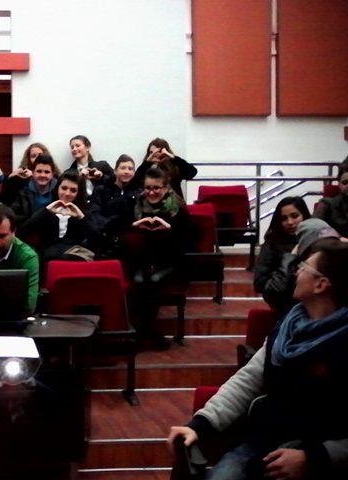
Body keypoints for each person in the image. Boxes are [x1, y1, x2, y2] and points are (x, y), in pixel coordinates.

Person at [168, 238, 348, 480]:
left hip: (323, 456)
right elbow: (248, 380)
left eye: (304, 266)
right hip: (263, 443)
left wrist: (314, 458)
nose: (296, 271)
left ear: (321, 284)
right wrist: (200, 425)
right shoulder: (288, 325)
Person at [122, 166, 193, 348]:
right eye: (147, 188)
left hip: (170, 262)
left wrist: (168, 230)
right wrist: (134, 227)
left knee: (153, 281)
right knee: (138, 280)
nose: (151, 192)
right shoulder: (136, 204)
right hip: (142, 261)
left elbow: (187, 242)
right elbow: (123, 234)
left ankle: (147, 332)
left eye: (156, 188)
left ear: (166, 188)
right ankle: (144, 332)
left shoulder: (178, 207)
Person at [19, 170, 94, 262]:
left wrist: (81, 216)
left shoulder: (84, 213)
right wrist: (46, 211)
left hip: (74, 259)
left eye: (73, 190)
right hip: (48, 258)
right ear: (57, 188)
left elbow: (96, 241)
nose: (67, 193)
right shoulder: (46, 210)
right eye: (64, 188)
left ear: (78, 193)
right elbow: (22, 232)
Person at [254, 197, 311, 314]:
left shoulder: (316, 239)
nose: (290, 222)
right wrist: (290, 259)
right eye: (284, 218)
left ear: (304, 216)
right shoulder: (272, 243)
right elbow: (259, 285)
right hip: (284, 305)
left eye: (295, 216)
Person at [88, 154, 142, 252]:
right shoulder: (101, 190)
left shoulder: (138, 193)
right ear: (115, 171)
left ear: (134, 173)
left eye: (130, 169)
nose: (126, 171)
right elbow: (94, 214)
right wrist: (110, 225)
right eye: (123, 168)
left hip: (128, 240)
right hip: (104, 237)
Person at [9, 154, 59, 226]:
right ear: (32, 172)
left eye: (47, 172)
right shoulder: (23, 190)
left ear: (52, 174)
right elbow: (12, 215)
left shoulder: (60, 190)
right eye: (39, 171)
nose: (42, 175)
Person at [313, 163, 348, 236]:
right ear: (339, 184)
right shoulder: (326, 204)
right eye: (345, 183)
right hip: (335, 241)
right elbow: (313, 228)